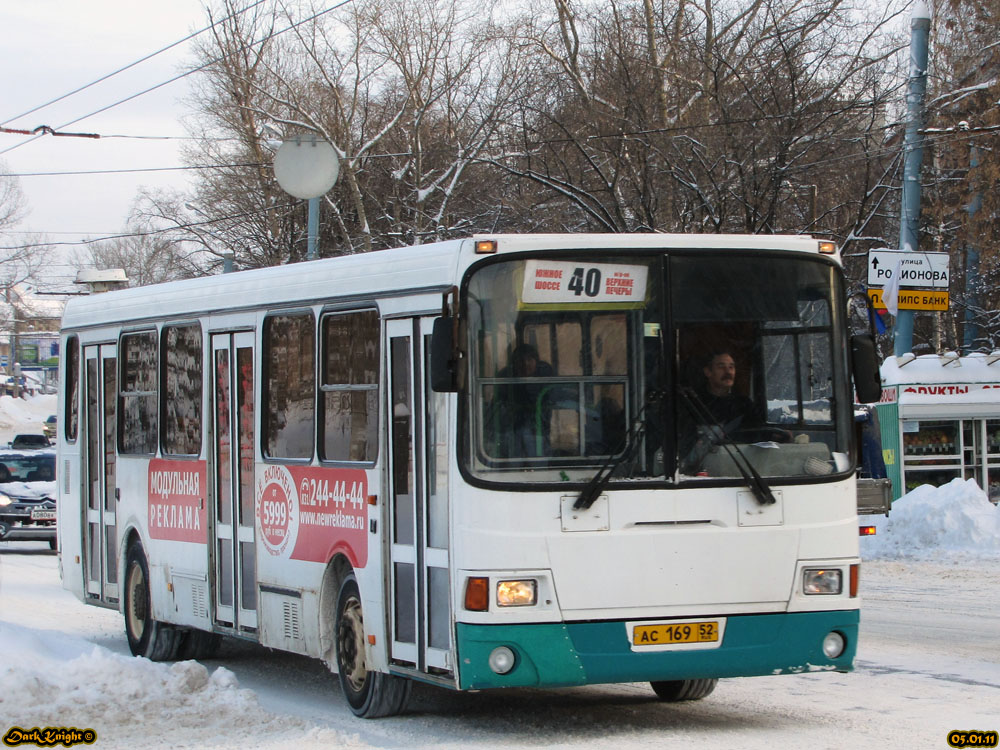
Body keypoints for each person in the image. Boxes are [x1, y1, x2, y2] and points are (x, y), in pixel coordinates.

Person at [679, 349, 760, 472]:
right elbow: (686, 442)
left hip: (742, 469)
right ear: (708, 372)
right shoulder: (693, 403)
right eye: (721, 367)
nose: (728, 372)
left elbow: (756, 432)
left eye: (731, 367)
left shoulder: (744, 404)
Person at [489, 344, 555, 458]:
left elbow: (552, 398)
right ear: (513, 364)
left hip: (538, 428)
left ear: (536, 361)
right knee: (514, 451)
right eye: (520, 360)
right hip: (511, 428)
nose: (525, 364)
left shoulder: (545, 374)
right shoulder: (505, 376)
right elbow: (497, 403)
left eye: (530, 359)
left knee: (536, 452)